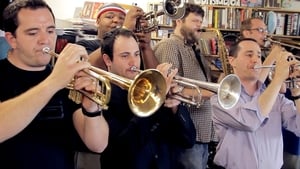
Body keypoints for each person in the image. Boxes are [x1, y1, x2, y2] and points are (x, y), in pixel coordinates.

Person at [0, 0, 109, 168]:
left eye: (50, 30)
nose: (45, 40)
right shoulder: (58, 78)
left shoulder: (66, 79)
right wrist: (55, 81)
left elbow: (98, 145)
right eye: (33, 33)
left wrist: (92, 109)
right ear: (12, 39)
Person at [100, 27, 196, 169]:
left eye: (137, 54)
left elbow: (188, 140)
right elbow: (122, 151)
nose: (134, 62)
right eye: (125, 56)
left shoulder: (151, 88)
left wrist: (175, 107)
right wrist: (152, 101)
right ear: (108, 60)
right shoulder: (101, 96)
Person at [210, 38, 300, 169]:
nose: (256, 60)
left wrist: (296, 91)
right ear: (232, 60)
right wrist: (278, 78)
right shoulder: (220, 98)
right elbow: (251, 121)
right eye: (249, 55)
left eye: (259, 55)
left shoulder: (276, 98)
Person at [153, 3, 216, 169]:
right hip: (186, 133)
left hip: (201, 134)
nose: (199, 26)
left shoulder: (195, 50)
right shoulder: (169, 46)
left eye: (200, 22)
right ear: (179, 20)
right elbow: (171, 90)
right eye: (195, 21)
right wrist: (212, 93)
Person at [77, 2, 158, 70]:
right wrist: (124, 29)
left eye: (122, 18)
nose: (116, 20)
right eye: (109, 17)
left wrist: (145, 46)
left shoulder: (134, 49)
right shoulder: (84, 45)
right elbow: (86, 68)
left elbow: (156, 81)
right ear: (98, 21)